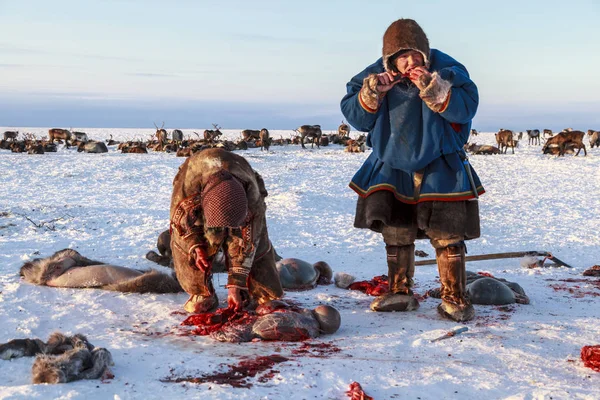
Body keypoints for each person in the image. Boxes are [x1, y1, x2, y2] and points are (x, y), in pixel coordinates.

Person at [340, 18, 484, 322]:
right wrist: (372, 93)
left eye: (414, 56)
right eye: (401, 57)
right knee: (396, 231)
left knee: (447, 234)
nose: (409, 63)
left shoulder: (448, 70)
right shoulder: (374, 75)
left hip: (440, 161)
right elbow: (357, 117)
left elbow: (467, 107)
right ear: (390, 58)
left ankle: (454, 298)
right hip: (393, 163)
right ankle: (399, 292)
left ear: (425, 53)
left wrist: (436, 89)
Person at [169, 148, 283, 313]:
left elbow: (247, 240)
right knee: (187, 245)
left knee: (257, 239)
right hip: (199, 179)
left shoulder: (252, 199)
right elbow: (182, 226)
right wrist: (196, 248)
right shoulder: (187, 192)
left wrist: (235, 285)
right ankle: (201, 292)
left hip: (241, 178)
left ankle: (261, 291)